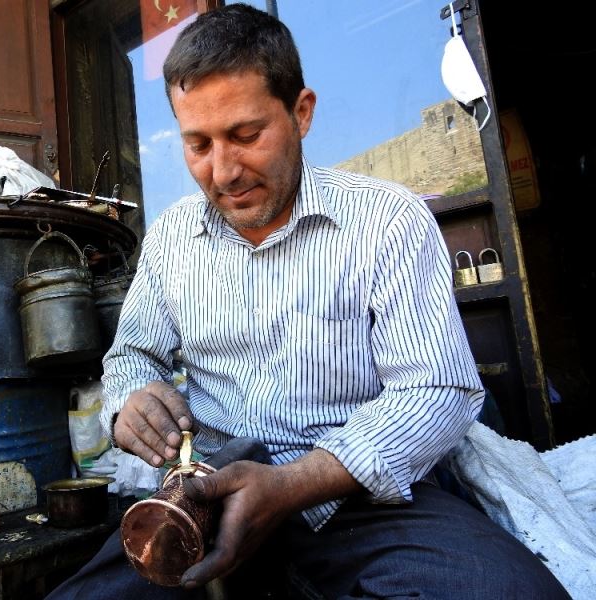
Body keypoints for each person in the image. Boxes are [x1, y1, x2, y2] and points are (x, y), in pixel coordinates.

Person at [48, 4, 569, 598]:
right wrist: (131, 402)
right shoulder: (172, 237)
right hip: (207, 496)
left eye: (246, 136)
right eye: (197, 145)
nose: (223, 172)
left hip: (358, 499)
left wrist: (292, 484)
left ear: (301, 112)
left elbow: (437, 391)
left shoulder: (386, 220)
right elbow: (131, 356)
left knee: (510, 591)